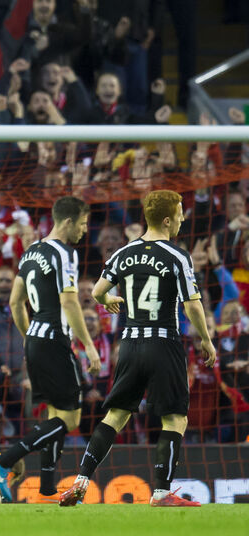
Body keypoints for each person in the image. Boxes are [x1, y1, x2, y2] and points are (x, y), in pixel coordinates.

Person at [61, 190, 216, 508]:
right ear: (168, 220)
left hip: (130, 344)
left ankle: (80, 481)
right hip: (163, 342)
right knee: (175, 419)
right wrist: (205, 338)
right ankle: (161, 493)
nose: (183, 219)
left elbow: (98, 291)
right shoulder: (177, 255)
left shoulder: (124, 252)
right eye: (180, 214)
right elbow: (192, 304)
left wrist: (108, 300)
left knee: (116, 415)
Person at [0, 196, 102, 497]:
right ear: (68, 222)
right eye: (82, 224)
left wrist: (29, 336)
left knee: (55, 414)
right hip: (55, 340)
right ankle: (4, 461)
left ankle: (47, 486)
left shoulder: (30, 252)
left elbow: (15, 302)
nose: (84, 230)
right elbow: (70, 302)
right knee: (71, 418)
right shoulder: (64, 253)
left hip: (36, 339)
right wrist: (89, 346)